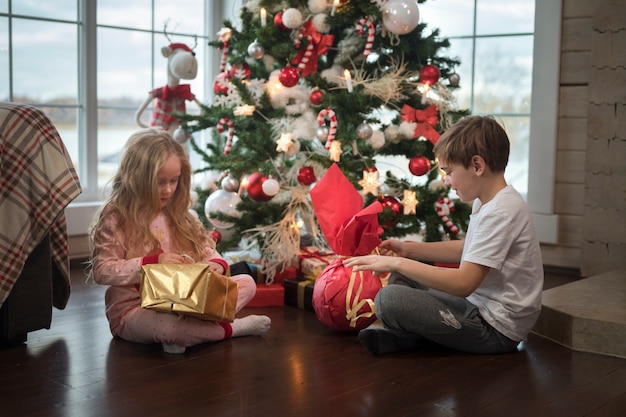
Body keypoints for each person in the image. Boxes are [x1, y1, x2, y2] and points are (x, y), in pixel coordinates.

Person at [343, 115, 543, 355]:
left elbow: (463, 284)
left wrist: (397, 261)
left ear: (477, 166)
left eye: (449, 172)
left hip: (494, 329)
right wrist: (408, 250)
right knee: (402, 275)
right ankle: (411, 339)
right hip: (477, 307)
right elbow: (467, 248)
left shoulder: (500, 212)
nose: (447, 181)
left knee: (389, 299)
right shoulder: (490, 201)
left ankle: (410, 341)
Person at [87, 128, 270, 354]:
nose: (168, 190)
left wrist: (215, 265)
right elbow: (102, 270)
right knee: (170, 327)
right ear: (137, 178)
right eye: (160, 182)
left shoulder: (179, 212)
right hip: (134, 309)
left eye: (174, 181)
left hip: (185, 300)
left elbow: (205, 249)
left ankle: (193, 331)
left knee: (247, 283)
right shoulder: (116, 215)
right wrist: (153, 262)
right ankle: (231, 329)